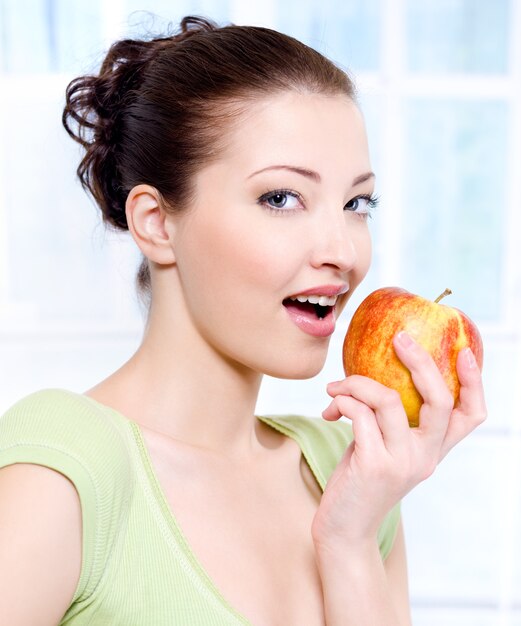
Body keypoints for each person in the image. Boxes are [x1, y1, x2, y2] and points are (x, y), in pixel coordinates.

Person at [0, 15, 486, 626]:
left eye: (356, 203)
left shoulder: (350, 471)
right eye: (281, 198)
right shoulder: (64, 470)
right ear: (157, 222)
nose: (342, 249)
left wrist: (351, 543)